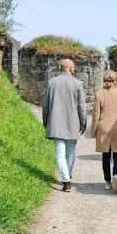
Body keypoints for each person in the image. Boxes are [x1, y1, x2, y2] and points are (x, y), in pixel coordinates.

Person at [42, 58, 87, 192]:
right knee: (71, 153)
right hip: (72, 123)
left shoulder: (51, 83)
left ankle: (66, 181)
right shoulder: (77, 83)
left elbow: (45, 105)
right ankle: (67, 177)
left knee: (60, 153)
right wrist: (83, 123)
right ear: (71, 69)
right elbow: (82, 107)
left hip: (55, 123)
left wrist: (45, 121)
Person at [90, 69, 117, 193]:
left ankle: (107, 181)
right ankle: (116, 174)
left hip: (104, 127)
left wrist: (93, 130)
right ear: (116, 80)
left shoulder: (99, 94)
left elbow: (96, 114)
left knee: (106, 156)